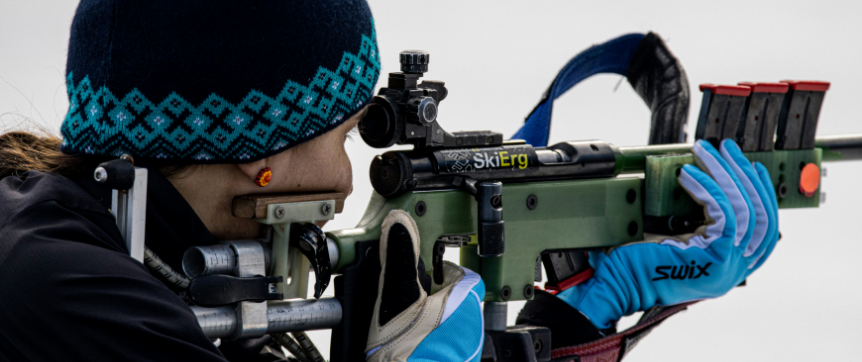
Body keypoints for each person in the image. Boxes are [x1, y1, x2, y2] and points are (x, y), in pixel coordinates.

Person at [0, 1, 779, 361]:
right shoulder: (60, 292)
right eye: (344, 137)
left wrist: (579, 319)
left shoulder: (122, 246)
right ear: (255, 150)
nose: (347, 180)